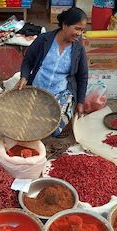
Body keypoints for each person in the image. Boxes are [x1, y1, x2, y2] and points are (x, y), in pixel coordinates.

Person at [15, 7, 88, 138]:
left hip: (61, 92)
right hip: (38, 88)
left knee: (52, 127)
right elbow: (28, 60)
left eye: (82, 30)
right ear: (65, 25)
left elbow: (82, 76)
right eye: (77, 28)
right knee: (24, 122)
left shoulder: (78, 49)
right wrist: (24, 77)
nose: (79, 33)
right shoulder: (44, 40)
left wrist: (81, 102)